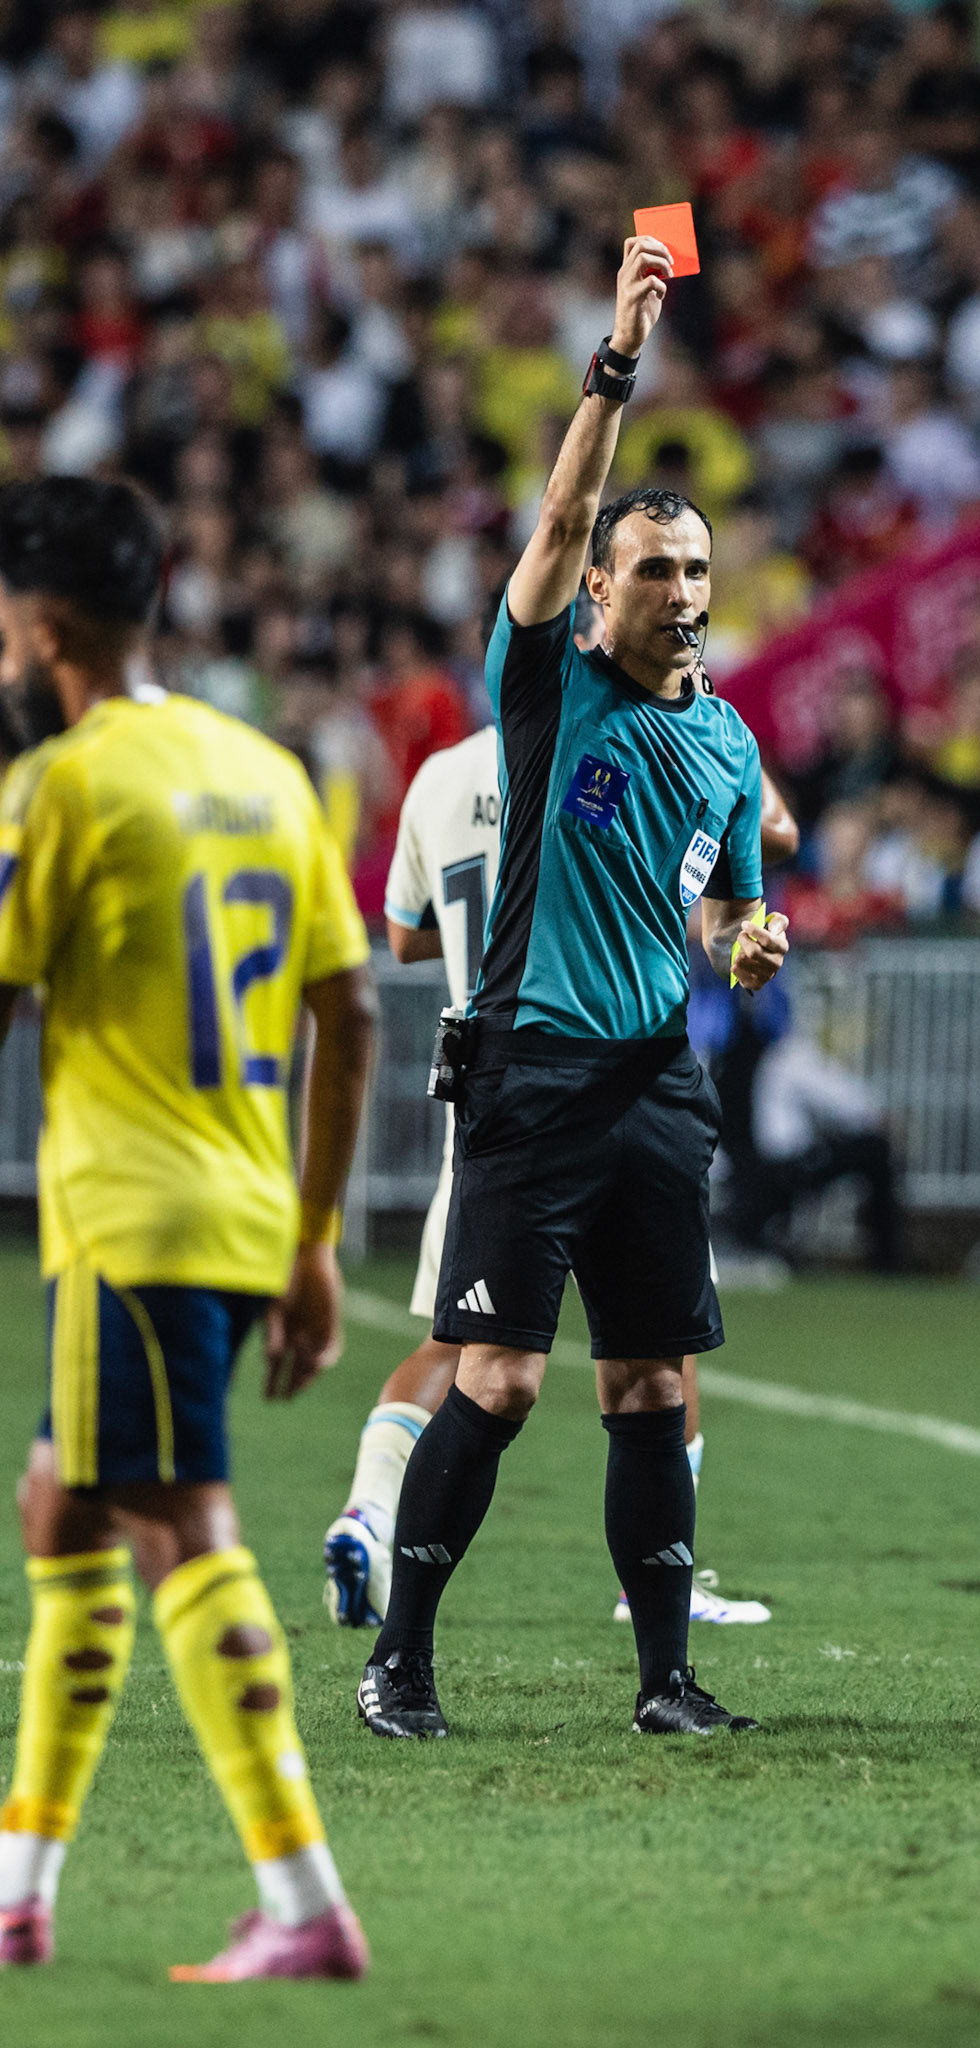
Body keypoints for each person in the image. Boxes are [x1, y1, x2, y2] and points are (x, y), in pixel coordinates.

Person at [356, 236, 789, 1743]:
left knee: (651, 1387)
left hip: (656, 1083)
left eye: (693, 569)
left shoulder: (730, 746)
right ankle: (400, 1661)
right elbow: (553, 509)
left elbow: (729, 907)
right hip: (530, 1075)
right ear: (594, 590)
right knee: (498, 1375)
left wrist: (747, 940)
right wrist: (615, 362)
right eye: (649, 567)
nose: (677, 588)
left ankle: (665, 1680)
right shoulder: (549, 686)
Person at [0, 478, 377, 1979]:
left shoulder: (67, 783)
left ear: (44, 629)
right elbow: (347, 1011)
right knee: (63, 1504)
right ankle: (21, 1886)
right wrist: (315, 1237)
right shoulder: (266, 769)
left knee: (178, 1530)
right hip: (240, 1209)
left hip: (129, 1220)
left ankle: (302, 1907)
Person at [322, 727, 794, 1631]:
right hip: (596, 1079)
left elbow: (405, 932)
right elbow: (772, 834)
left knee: (463, 1347)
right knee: (659, 1348)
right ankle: (655, 1583)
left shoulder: (438, 776)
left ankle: (369, 1515)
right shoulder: (610, 749)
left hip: (486, 1098)